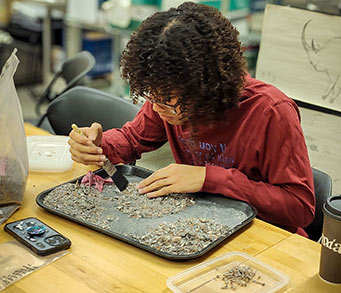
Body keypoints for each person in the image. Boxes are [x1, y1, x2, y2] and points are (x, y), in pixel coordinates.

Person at [68, 2, 315, 237]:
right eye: (151, 97)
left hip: (266, 236)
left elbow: (300, 207)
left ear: (208, 87)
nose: (156, 108)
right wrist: (100, 145)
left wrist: (208, 178)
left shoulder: (270, 111)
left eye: (166, 101)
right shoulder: (169, 96)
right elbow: (132, 139)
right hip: (206, 223)